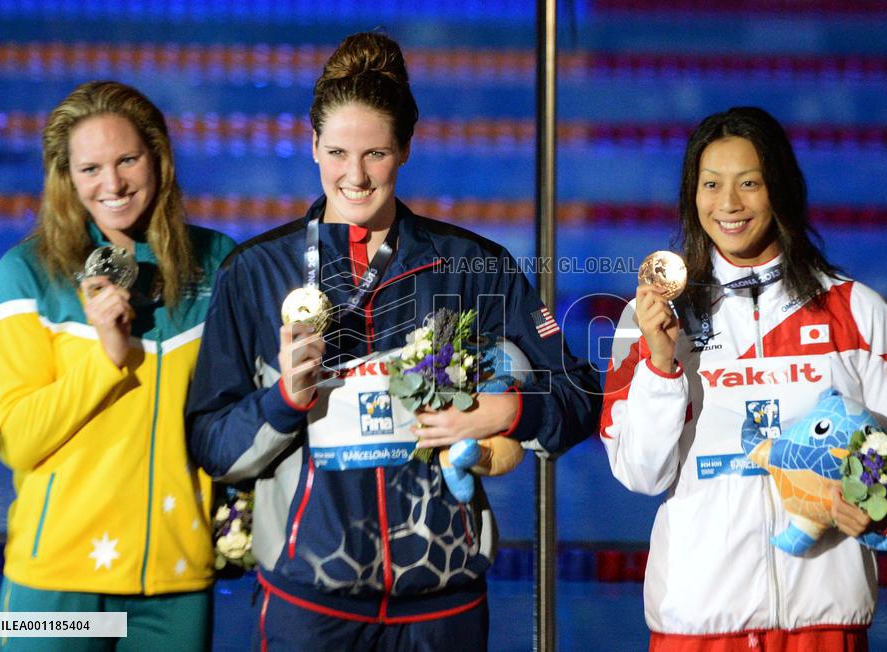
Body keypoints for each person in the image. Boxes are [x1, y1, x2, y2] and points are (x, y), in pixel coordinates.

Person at [186, 32, 599, 651]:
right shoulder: (255, 272)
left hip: (442, 605)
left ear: (405, 147)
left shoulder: (471, 266)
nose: (354, 176)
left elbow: (579, 394)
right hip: (310, 605)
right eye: (337, 152)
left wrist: (507, 411)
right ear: (312, 146)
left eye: (375, 153)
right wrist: (284, 401)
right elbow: (212, 445)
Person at [600, 106, 887, 651]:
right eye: (711, 184)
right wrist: (661, 365)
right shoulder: (653, 320)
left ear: (779, 188)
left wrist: (876, 508)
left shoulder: (855, 311)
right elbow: (641, 472)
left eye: (749, 183)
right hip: (698, 625)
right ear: (692, 195)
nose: (728, 204)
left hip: (823, 623)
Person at [0, 81, 235, 650]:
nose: (113, 184)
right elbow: (15, 440)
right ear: (66, 178)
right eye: (90, 168)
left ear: (158, 159)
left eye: (127, 160)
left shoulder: (218, 262)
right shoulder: (26, 275)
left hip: (174, 580)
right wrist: (106, 358)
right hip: (55, 581)